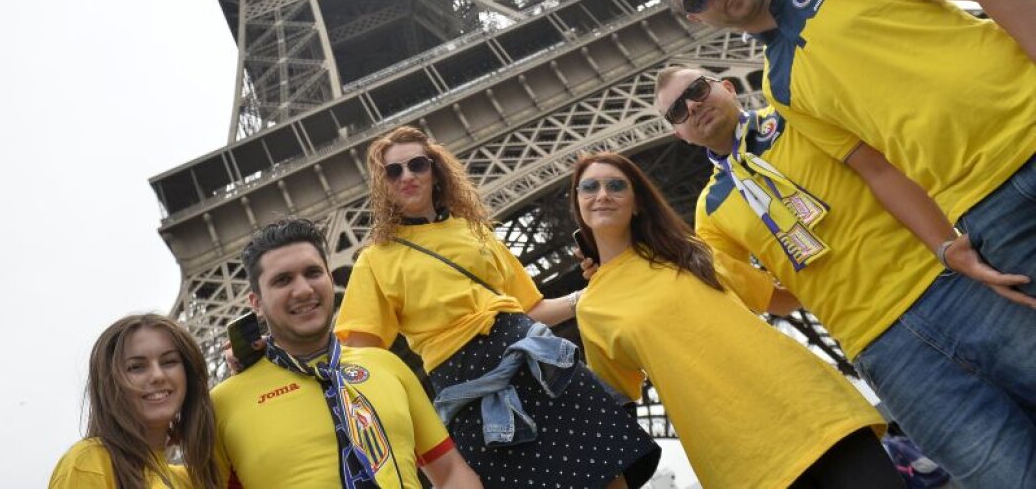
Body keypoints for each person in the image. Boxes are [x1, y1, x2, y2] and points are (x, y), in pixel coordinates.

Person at [652, 65, 1036, 487]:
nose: (692, 106)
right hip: (885, 350)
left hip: (952, 285)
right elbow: (742, 295)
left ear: (726, 85)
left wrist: (947, 243)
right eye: (677, 112)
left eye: (698, 89)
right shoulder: (712, 210)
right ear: (679, 134)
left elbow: (890, 161)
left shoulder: (798, 113)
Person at [650, 0, 1036, 305]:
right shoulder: (778, 88)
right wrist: (945, 246)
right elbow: (876, 169)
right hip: (982, 204)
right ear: (696, 16)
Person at [334, 126, 660, 489]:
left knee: (608, 474)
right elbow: (359, 360)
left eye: (417, 165)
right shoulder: (374, 260)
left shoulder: (476, 232)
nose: (407, 176)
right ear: (383, 184)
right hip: (470, 390)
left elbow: (531, 308)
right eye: (393, 171)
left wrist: (586, 295)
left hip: (541, 366)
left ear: (435, 170)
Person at [571, 151, 897, 489]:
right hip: (739, 460)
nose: (603, 194)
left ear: (637, 202)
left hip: (813, 407)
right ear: (578, 202)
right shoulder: (592, 309)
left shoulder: (690, 250)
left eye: (616, 185)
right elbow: (614, 406)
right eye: (590, 187)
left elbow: (782, 299)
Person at [211, 217, 483, 489]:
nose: (304, 290)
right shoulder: (221, 405)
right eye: (283, 280)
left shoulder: (386, 365)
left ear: (330, 278)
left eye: (313, 273)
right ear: (256, 302)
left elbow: (449, 472)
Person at [49, 313, 220, 489]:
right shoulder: (89, 463)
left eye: (169, 362)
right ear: (110, 383)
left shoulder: (192, 481)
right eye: (136, 367)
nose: (157, 376)